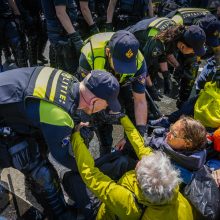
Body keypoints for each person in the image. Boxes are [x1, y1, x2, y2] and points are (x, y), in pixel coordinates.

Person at [0, 66, 121, 219]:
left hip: (10, 104)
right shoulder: (59, 115)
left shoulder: (70, 80)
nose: (106, 108)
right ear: (94, 101)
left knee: (37, 147)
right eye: (106, 104)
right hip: (6, 115)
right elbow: (61, 156)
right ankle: (59, 215)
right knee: (38, 168)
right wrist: (91, 172)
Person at [70, 114, 193, 219]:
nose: (139, 162)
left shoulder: (127, 202)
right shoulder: (178, 198)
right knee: (123, 161)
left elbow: (90, 174)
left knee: (70, 179)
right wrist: (123, 117)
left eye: (139, 168)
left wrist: (76, 136)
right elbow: (141, 147)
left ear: (140, 184)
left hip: (107, 213)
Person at [78, 30, 149, 155]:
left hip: (123, 83)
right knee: (98, 115)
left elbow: (140, 100)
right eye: (120, 65)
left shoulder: (139, 61)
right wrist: (84, 122)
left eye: (127, 65)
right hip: (96, 84)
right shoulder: (90, 55)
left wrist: (140, 132)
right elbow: (84, 97)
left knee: (132, 112)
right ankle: (105, 147)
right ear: (108, 52)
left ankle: (126, 145)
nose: (123, 70)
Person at [127, 18, 206, 98]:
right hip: (128, 44)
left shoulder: (176, 32)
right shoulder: (158, 42)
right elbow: (143, 68)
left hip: (144, 41)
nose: (194, 54)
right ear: (182, 46)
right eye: (193, 51)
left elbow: (165, 53)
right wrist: (151, 88)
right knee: (143, 78)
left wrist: (166, 76)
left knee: (155, 65)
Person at [169, 7, 220, 107]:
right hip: (175, 35)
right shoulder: (182, 25)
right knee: (187, 64)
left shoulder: (211, 23)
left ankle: (182, 101)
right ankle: (175, 82)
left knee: (192, 69)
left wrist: (218, 68)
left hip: (192, 38)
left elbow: (217, 49)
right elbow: (166, 51)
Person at [41, 0, 83, 74]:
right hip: (62, 34)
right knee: (69, 72)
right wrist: (75, 37)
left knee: (61, 71)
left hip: (59, 32)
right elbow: (61, 13)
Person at [0, 0, 28, 68]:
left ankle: (23, 72)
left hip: (7, 17)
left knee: (18, 46)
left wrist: (17, 14)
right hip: (6, 18)